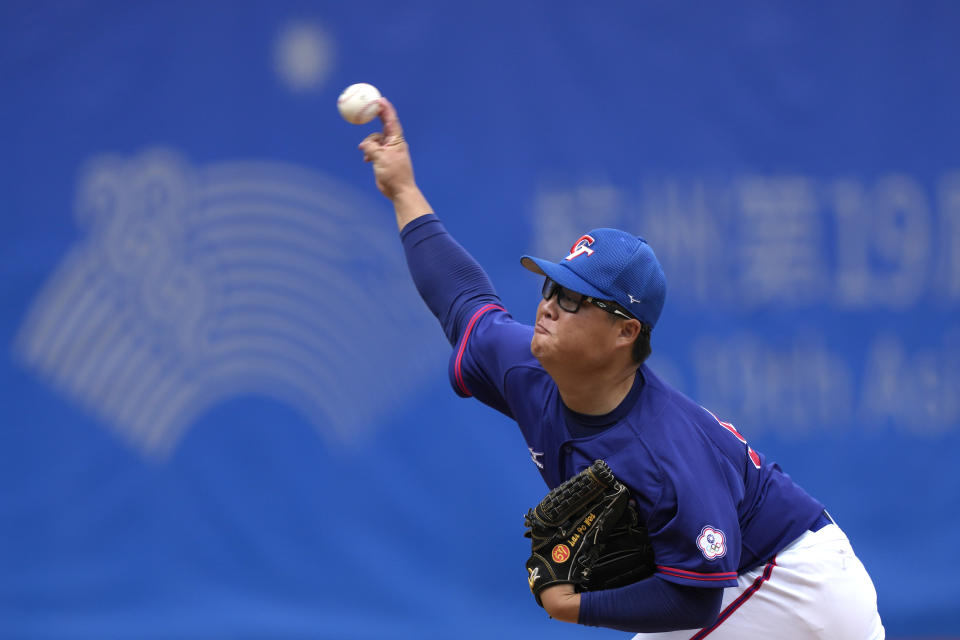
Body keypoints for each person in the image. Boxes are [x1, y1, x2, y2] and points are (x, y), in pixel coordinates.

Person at [356, 97, 885, 638]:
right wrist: (403, 189)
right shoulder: (526, 369)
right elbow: (462, 299)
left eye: (572, 298)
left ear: (625, 332)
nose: (547, 305)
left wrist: (575, 607)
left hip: (792, 583)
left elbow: (695, 599)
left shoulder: (664, 451)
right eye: (550, 287)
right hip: (747, 580)